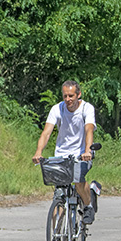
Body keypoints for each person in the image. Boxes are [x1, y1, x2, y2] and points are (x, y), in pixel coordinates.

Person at [32, 80, 96, 223]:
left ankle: (88, 206)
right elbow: (46, 133)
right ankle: (56, 237)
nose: (68, 100)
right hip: (61, 155)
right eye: (65, 96)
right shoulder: (57, 109)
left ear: (78, 95)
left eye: (71, 96)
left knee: (78, 181)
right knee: (59, 195)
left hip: (81, 155)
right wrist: (38, 152)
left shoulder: (87, 108)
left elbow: (89, 129)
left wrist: (87, 151)